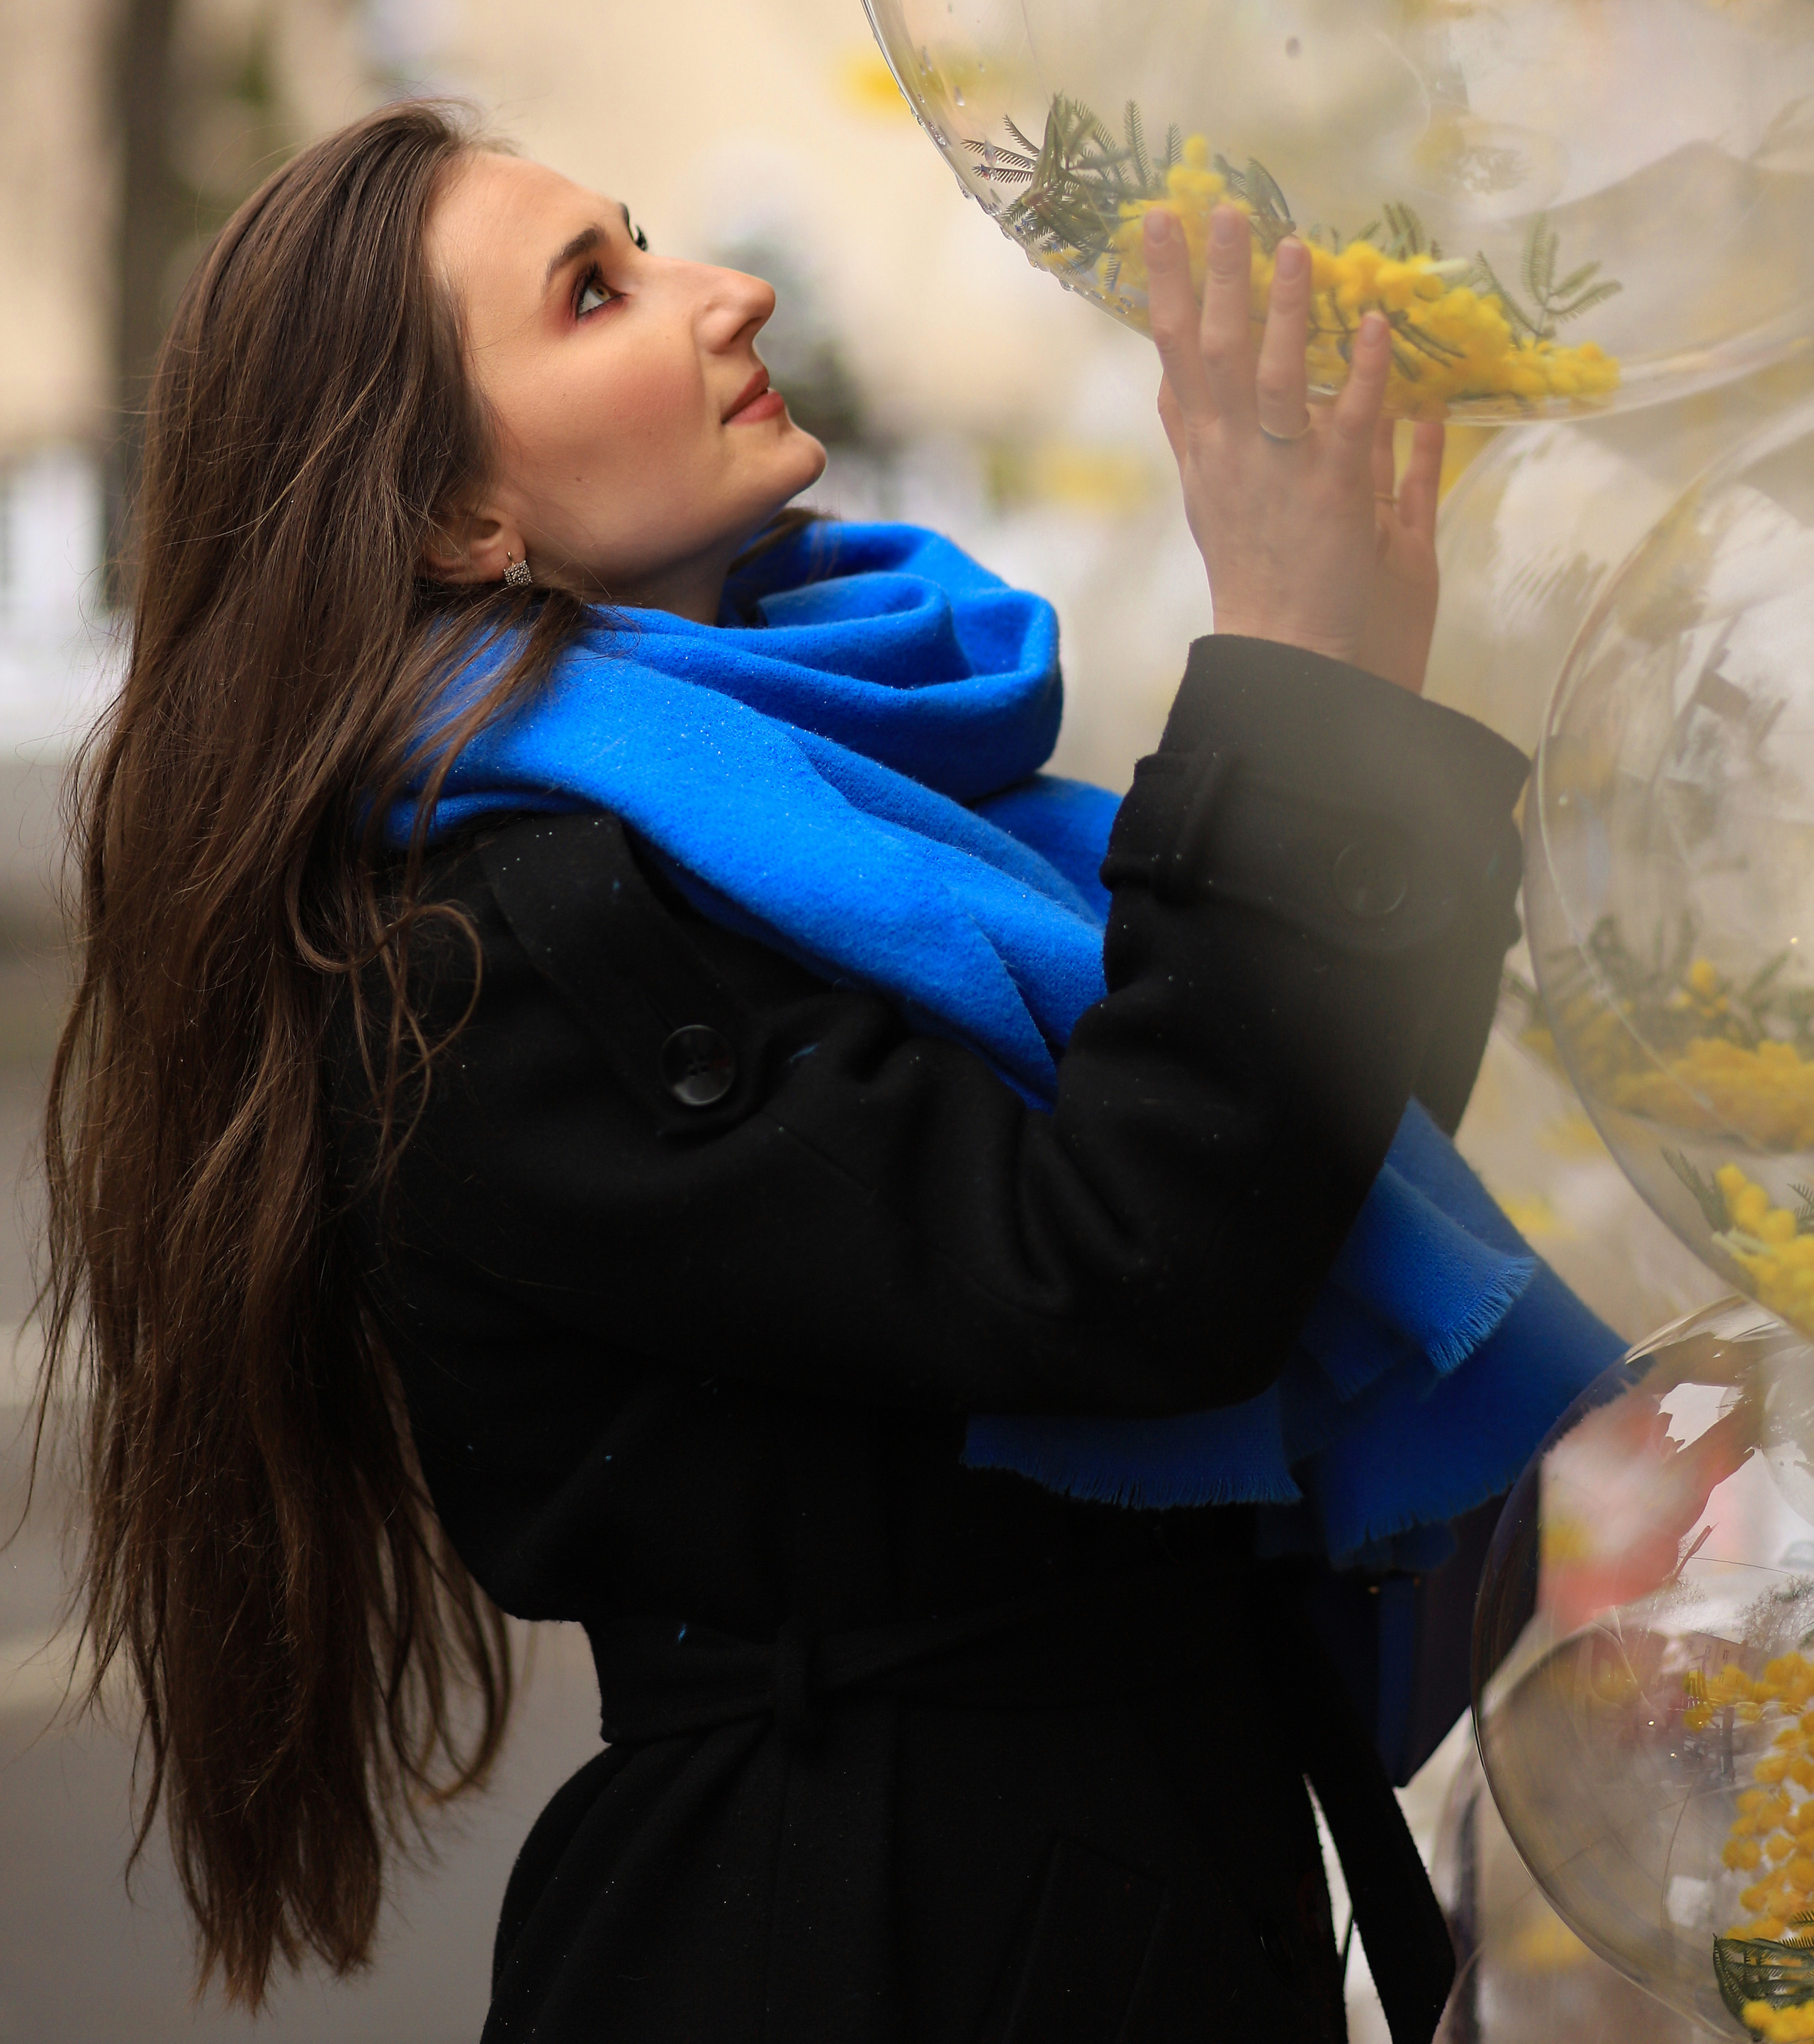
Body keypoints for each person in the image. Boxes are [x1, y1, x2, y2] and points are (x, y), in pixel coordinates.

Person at [35, 100, 1611, 2044]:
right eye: (596, 293)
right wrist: (1288, 705)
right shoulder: (487, 952)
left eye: (646, 239)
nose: (730, 289)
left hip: (1128, 1887)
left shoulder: (854, 807)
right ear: (459, 521)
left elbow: (1276, 1168)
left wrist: (1346, 712)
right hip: (882, 1947)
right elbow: (1131, 1270)